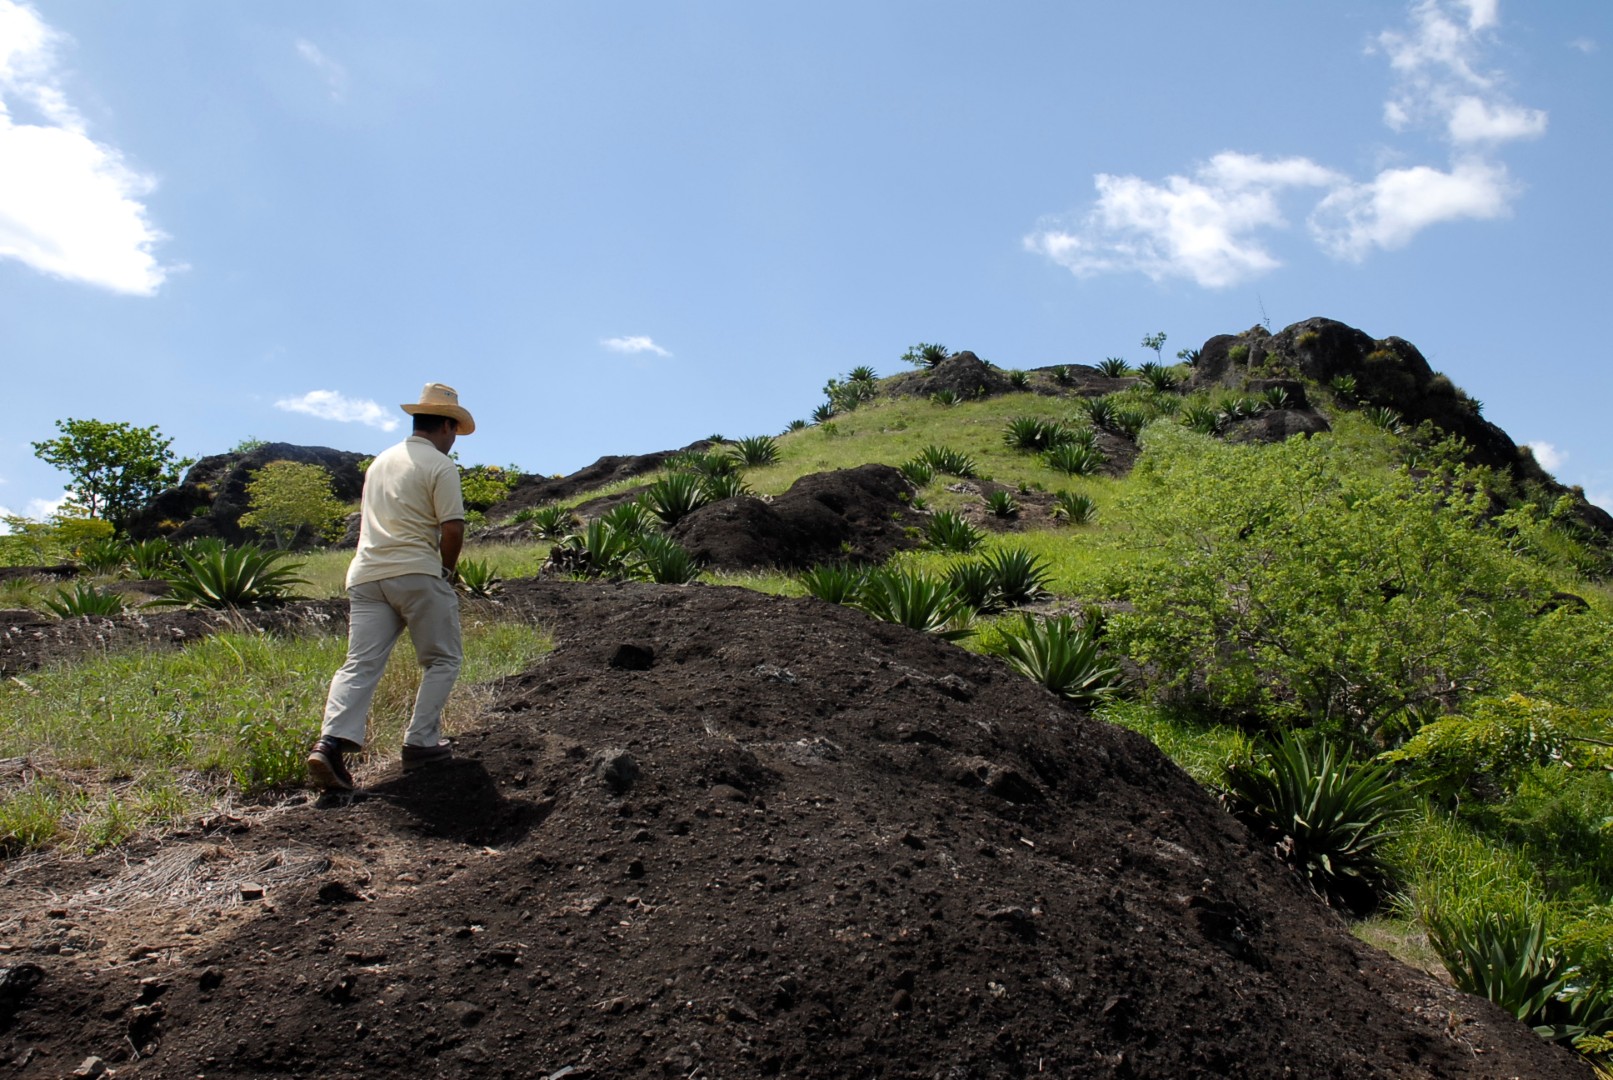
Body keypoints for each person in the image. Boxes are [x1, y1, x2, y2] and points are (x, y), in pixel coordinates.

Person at [305, 382, 474, 792]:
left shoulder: (380, 462)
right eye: (454, 431)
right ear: (448, 426)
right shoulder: (440, 465)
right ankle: (421, 742)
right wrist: (445, 572)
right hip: (415, 572)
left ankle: (329, 745)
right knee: (442, 659)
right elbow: (452, 527)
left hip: (365, 576)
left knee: (360, 663)